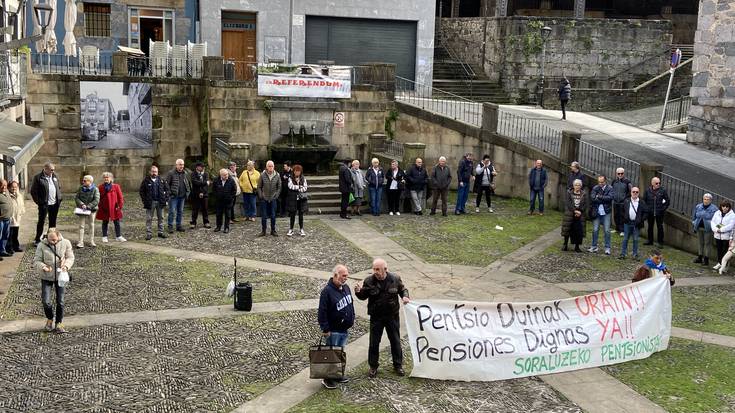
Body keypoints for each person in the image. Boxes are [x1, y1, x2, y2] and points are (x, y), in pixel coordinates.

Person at [355, 258, 410, 378]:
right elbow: (363, 296)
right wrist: (358, 292)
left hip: (392, 316)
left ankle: (398, 365)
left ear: (385, 269)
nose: (375, 271)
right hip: (376, 317)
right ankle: (373, 366)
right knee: (374, 342)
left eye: (377, 269)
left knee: (395, 341)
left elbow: (403, 289)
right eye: (374, 269)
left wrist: (405, 297)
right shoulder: (369, 281)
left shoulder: (395, 278)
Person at [317, 264, 355, 389]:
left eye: (346, 276)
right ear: (335, 275)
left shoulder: (346, 288)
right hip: (333, 330)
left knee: (340, 353)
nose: (345, 279)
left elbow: (350, 304)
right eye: (343, 276)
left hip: (344, 329)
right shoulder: (327, 292)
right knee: (331, 354)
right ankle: (327, 378)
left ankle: (337, 374)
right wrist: (325, 328)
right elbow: (322, 312)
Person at [33, 228, 75, 333]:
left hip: (60, 277)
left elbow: (70, 257)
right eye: (51, 240)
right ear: (47, 237)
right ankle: (50, 318)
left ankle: (59, 323)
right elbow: (36, 260)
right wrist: (43, 266)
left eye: (55, 240)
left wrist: (66, 266)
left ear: (58, 236)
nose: (53, 242)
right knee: (46, 301)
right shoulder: (41, 245)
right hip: (46, 276)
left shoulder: (66, 243)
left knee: (60, 301)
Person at [30, 162, 62, 245]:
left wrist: (59, 197)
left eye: (54, 170)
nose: (53, 171)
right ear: (45, 169)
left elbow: (59, 187)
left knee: (53, 221)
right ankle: (37, 239)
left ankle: (51, 237)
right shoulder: (38, 177)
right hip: (44, 204)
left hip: (55, 203)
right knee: (41, 221)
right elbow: (33, 191)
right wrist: (39, 202)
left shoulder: (55, 176)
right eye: (51, 170)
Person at [139, 165, 170, 240]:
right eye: (153, 171)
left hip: (160, 202)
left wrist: (166, 200)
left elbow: (168, 190)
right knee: (149, 218)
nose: (154, 173)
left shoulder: (162, 179)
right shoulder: (146, 180)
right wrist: (144, 200)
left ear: (157, 172)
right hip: (150, 202)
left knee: (161, 218)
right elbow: (141, 191)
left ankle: (160, 232)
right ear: (150, 172)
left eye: (155, 172)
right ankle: (149, 234)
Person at [619, 187, 648, 260]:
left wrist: (641, 220)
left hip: (636, 224)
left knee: (635, 239)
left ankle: (635, 254)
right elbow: (622, 210)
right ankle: (623, 254)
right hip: (627, 223)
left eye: (637, 192)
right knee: (625, 239)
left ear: (638, 193)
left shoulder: (642, 202)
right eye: (633, 192)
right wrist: (625, 218)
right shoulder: (626, 201)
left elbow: (646, 212)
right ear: (631, 192)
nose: (635, 193)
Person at [97, 172, 126, 243]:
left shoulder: (116, 186)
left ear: (111, 178)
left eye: (108, 177)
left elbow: (120, 198)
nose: (106, 178)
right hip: (104, 208)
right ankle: (104, 236)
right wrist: (99, 205)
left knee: (117, 222)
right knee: (105, 222)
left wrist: (119, 206)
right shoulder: (100, 187)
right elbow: (98, 198)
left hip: (114, 207)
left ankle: (118, 236)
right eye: (105, 177)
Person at [561, 179, 588, 253]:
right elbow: (568, 203)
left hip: (580, 214)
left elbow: (585, 204)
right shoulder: (569, 193)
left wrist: (580, 211)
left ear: (581, 186)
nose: (577, 186)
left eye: (579, 185)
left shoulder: (584, 194)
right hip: (570, 213)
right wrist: (574, 210)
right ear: (573, 186)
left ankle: (577, 246)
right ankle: (565, 244)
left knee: (578, 231)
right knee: (567, 229)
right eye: (576, 185)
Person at [589, 175, 613, 255]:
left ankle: (607, 247)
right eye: (599, 182)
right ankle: (594, 246)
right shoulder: (595, 188)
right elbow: (592, 198)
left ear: (605, 181)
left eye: (602, 182)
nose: (600, 183)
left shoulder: (610, 188)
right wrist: (603, 199)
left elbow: (610, 198)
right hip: (597, 211)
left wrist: (599, 196)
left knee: (607, 230)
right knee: (595, 230)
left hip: (606, 212)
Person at [166, 159, 191, 233]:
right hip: (174, 197)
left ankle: (178, 226)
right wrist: (170, 193)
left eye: (183, 164)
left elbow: (188, 183)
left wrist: (188, 192)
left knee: (180, 211)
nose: (182, 166)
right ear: (176, 165)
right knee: (172, 212)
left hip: (182, 197)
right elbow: (166, 184)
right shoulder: (171, 173)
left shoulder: (185, 173)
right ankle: (170, 226)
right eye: (180, 164)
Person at [74, 175, 100, 248]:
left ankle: (91, 241)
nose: (83, 182)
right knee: (81, 226)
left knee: (91, 225)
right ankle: (80, 242)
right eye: (83, 180)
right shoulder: (80, 188)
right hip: (82, 210)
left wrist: (88, 206)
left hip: (91, 210)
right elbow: (76, 197)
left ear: (90, 181)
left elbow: (97, 200)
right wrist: (82, 204)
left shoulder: (95, 189)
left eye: (85, 181)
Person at [643, 177, 669, 248]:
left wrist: (662, 209)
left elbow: (667, 201)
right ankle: (650, 240)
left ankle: (660, 242)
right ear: (652, 183)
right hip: (650, 212)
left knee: (660, 227)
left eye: (659, 183)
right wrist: (647, 209)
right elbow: (644, 201)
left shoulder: (662, 191)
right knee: (650, 226)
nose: (658, 184)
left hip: (659, 213)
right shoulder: (647, 191)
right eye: (656, 183)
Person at [692, 194, 718, 265]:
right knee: (700, 243)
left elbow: (715, 219)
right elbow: (694, 216)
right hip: (699, 227)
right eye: (704, 199)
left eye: (707, 199)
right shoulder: (698, 206)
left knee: (707, 244)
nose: (706, 201)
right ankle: (700, 257)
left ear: (711, 200)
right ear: (703, 199)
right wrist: (694, 223)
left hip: (708, 229)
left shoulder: (714, 209)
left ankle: (706, 259)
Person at [257, 160, 281, 236]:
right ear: (266, 167)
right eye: (269, 166)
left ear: (274, 166)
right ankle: (263, 231)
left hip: (273, 198)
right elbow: (259, 187)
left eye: (272, 166)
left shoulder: (277, 175)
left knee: (273, 216)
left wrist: (276, 195)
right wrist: (261, 195)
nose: (270, 167)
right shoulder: (262, 175)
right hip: (264, 198)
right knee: (264, 216)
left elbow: (279, 187)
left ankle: (273, 230)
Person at [711, 200, 734, 269]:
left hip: (726, 236)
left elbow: (731, 225)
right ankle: (719, 263)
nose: (725, 208)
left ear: (729, 207)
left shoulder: (732, 215)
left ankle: (724, 265)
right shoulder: (717, 213)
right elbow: (713, 222)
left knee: (725, 251)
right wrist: (716, 229)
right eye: (723, 206)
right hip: (717, 235)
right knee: (719, 250)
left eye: (727, 206)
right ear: (721, 206)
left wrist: (721, 230)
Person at [213, 168, 237, 233]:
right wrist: (217, 196)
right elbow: (214, 190)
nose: (226, 176)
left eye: (227, 174)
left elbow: (234, 190)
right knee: (218, 214)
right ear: (221, 175)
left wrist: (230, 198)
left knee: (228, 215)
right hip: (219, 201)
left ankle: (226, 228)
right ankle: (218, 227)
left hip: (228, 201)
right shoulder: (216, 180)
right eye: (224, 175)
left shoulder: (231, 180)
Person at [286, 164, 308, 236]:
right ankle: (291, 229)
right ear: (294, 171)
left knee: (301, 215)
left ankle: (301, 229)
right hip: (293, 199)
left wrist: (297, 187)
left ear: (300, 172)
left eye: (299, 171)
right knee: (292, 215)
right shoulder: (290, 178)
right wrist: (299, 186)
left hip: (301, 200)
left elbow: (305, 188)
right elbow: (290, 186)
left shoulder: (303, 178)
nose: (297, 172)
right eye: (296, 171)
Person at [611, 168, 632, 236]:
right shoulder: (614, 181)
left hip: (623, 202)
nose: (620, 175)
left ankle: (622, 230)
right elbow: (612, 189)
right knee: (616, 215)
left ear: (624, 173)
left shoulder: (627, 182)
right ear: (616, 174)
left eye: (622, 173)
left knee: (622, 216)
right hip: (615, 201)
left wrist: (625, 198)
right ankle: (617, 229)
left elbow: (630, 191)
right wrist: (613, 197)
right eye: (618, 173)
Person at [190, 162, 211, 229]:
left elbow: (207, 186)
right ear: (197, 167)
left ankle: (206, 222)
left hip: (204, 194)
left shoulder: (206, 174)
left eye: (203, 167)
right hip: (196, 194)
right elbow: (195, 183)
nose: (203, 168)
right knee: (195, 209)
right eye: (201, 167)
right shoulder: (193, 174)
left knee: (205, 209)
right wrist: (204, 183)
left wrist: (202, 192)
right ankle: (193, 222)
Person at [7, 181, 26, 253]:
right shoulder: (8, 196)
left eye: (15, 187)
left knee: (15, 234)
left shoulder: (19, 195)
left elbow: (22, 204)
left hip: (17, 217)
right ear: (9, 187)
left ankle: (16, 247)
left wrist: (22, 211)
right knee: (10, 235)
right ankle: (9, 248)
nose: (14, 188)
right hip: (11, 218)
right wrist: (10, 216)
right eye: (12, 187)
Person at [0, 180, 12, 258]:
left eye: (5, 185)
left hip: (7, 218)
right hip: (0, 220)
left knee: (5, 235)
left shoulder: (6, 192)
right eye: (2, 185)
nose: (4, 187)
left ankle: (2, 250)